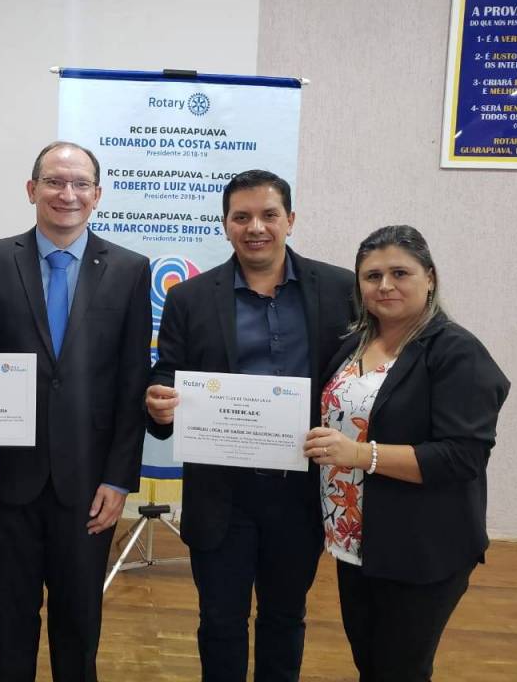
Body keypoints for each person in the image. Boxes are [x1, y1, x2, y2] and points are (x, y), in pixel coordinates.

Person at [145, 169, 355, 681]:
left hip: (301, 490)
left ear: (290, 220)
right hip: (222, 493)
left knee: (285, 617)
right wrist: (158, 401)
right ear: (226, 224)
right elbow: (167, 372)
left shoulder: (339, 289)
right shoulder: (190, 298)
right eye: (241, 217)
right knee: (220, 621)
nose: (255, 227)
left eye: (268, 215)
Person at [0, 141, 151, 682]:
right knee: (10, 626)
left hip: (89, 484)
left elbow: (132, 382)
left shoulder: (131, 269)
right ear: (31, 189)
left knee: (79, 627)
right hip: (6, 477)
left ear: (97, 194)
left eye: (80, 183)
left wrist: (120, 478)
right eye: (54, 182)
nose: (68, 194)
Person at [303, 225, 508, 681]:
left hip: (420, 546)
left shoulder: (457, 352)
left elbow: (461, 457)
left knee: (401, 670)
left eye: (400, 273)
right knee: (370, 663)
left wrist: (360, 455)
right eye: (372, 276)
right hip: (354, 540)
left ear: (429, 278)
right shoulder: (355, 343)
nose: (385, 285)